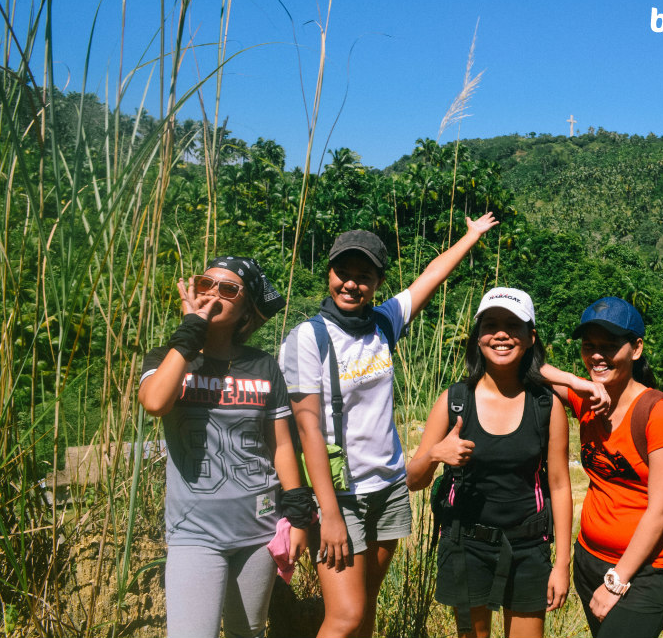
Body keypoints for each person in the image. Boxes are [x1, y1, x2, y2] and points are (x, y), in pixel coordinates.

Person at [279, 214, 498, 638]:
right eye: (343, 273)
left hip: (390, 487)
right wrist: (328, 514)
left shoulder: (382, 324)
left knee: (365, 610)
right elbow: (308, 433)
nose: (350, 284)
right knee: (344, 616)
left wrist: (470, 237)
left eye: (364, 277)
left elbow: (429, 278)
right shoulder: (308, 338)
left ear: (377, 283)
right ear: (329, 272)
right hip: (341, 493)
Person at [139, 256, 312, 638]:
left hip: (259, 527)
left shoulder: (263, 366)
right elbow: (154, 402)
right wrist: (190, 334)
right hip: (194, 532)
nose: (213, 293)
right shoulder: (167, 359)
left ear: (246, 309)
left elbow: (281, 445)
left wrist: (299, 513)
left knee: (246, 632)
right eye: (206, 283)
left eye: (229, 288)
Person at [407, 287, 573, 638]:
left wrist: (562, 564)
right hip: (466, 546)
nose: (501, 333)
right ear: (478, 337)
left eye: (513, 325)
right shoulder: (454, 400)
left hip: (529, 547)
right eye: (491, 324)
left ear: (530, 338)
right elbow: (413, 479)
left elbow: (559, 485)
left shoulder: (547, 405)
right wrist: (437, 454)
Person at [549, 297, 663, 638]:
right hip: (589, 560)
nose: (597, 356)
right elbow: (525, 363)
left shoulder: (658, 413)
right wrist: (578, 383)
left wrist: (617, 580)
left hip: (644, 571)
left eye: (609, 346)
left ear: (636, 348)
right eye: (589, 345)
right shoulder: (586, 398)